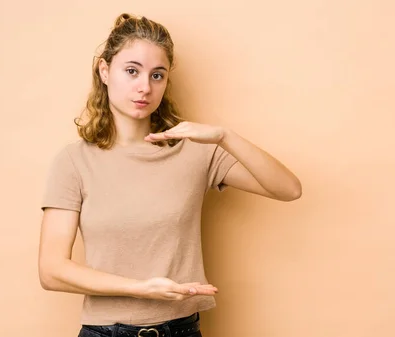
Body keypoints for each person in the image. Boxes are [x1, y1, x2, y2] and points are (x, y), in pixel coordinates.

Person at [38, 12, 302, 337]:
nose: (144, 87)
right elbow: (51, 271)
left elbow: (288, 189)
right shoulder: (74, 161)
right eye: (131, 71)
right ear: (105, 71)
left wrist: (224, 136)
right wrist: (142, 289)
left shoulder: (195, 151)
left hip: (181, 331)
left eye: (157, 75)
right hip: (105, 332)